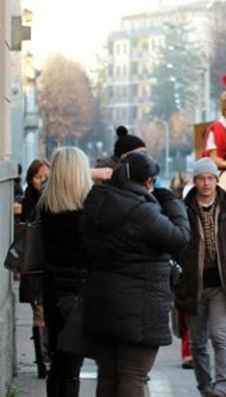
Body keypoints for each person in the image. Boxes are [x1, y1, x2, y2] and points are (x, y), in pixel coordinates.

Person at [81, 152, 191, 396]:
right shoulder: (144, 213)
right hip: (140, 308)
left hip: (101, 301)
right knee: (133, 374)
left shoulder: (95, 202)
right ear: (149, 181)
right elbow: (180, 237)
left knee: (108, 374)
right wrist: (170, 200)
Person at [175, 158, 226, 397]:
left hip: (222, 284)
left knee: (219, 335)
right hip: (193, 284)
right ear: (194, 181)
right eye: (201, 179)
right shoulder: (183, 209)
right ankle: (205, 386)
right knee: (197, 343)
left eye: (210, 178)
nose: (206, 183)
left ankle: (222, 385)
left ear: (217, 180)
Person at [37, 148, 93, 396]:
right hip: (78, 293)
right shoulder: (89, 211)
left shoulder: (45, 206)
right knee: (72, 365)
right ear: (81, 173)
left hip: (51, 291)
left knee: (59, 362)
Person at [18, 159, 51, 379]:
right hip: (34, 266)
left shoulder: (53, 199)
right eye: (38, 177)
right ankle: (43, 361)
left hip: (49, 267)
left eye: (46, 177)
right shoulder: (30, 200)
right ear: (31, 179)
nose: (42, 181)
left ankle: (47, 357)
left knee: (47, 312)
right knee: (39, 312)